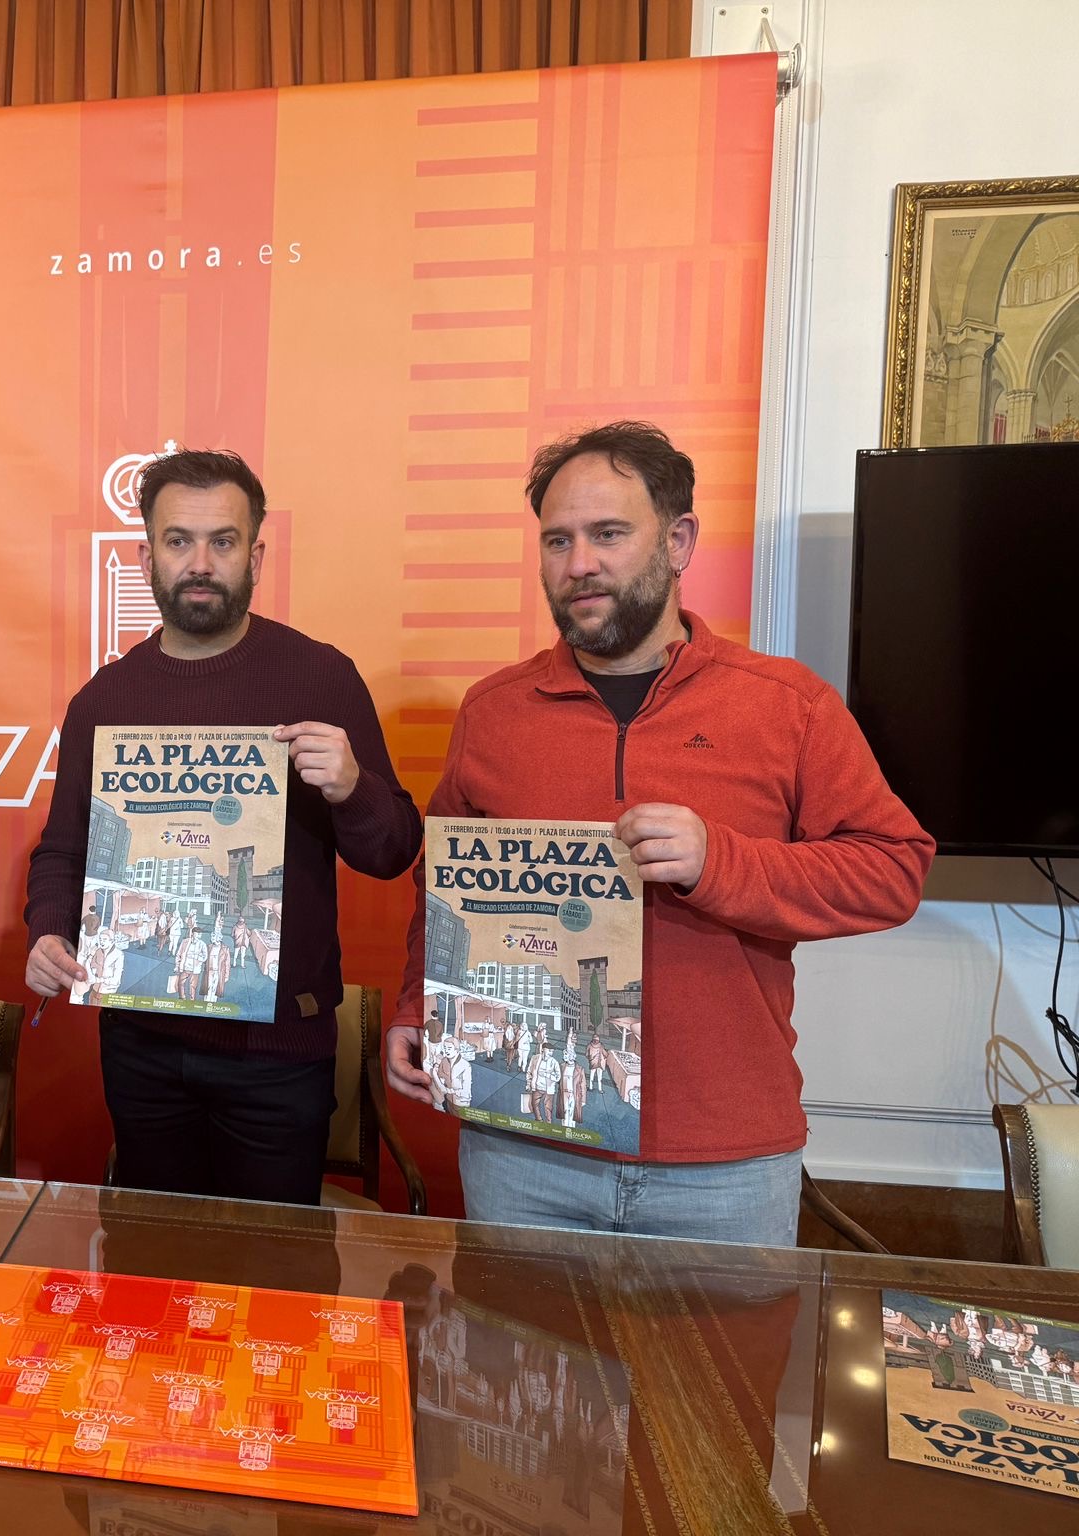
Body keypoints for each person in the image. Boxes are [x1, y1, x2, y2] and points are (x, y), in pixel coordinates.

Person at [386, 421, 933, 1244]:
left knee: (728, 1344)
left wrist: (721, 862)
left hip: (723, 1167)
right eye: (558, 540)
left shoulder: (787, 705)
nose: (579, 563)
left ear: (678, 542)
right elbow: (444, 887)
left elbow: (894, 871)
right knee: (513, 1335)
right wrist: (416, 1004)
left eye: (609, 534)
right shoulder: (492, 712)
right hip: (523, 1149)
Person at [25, 448, 422, 1206]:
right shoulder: (103, 700)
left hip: (280, 1051)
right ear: (146, 557)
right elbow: (63, 852)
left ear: (256, 557)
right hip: (140, 1041)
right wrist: (48, 929)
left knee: (275, 1264)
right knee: (151, 1255)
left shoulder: (321, 676)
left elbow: (393, 850)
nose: (200, 563)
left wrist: (352, 788)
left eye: (224, 541)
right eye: (179, 541)